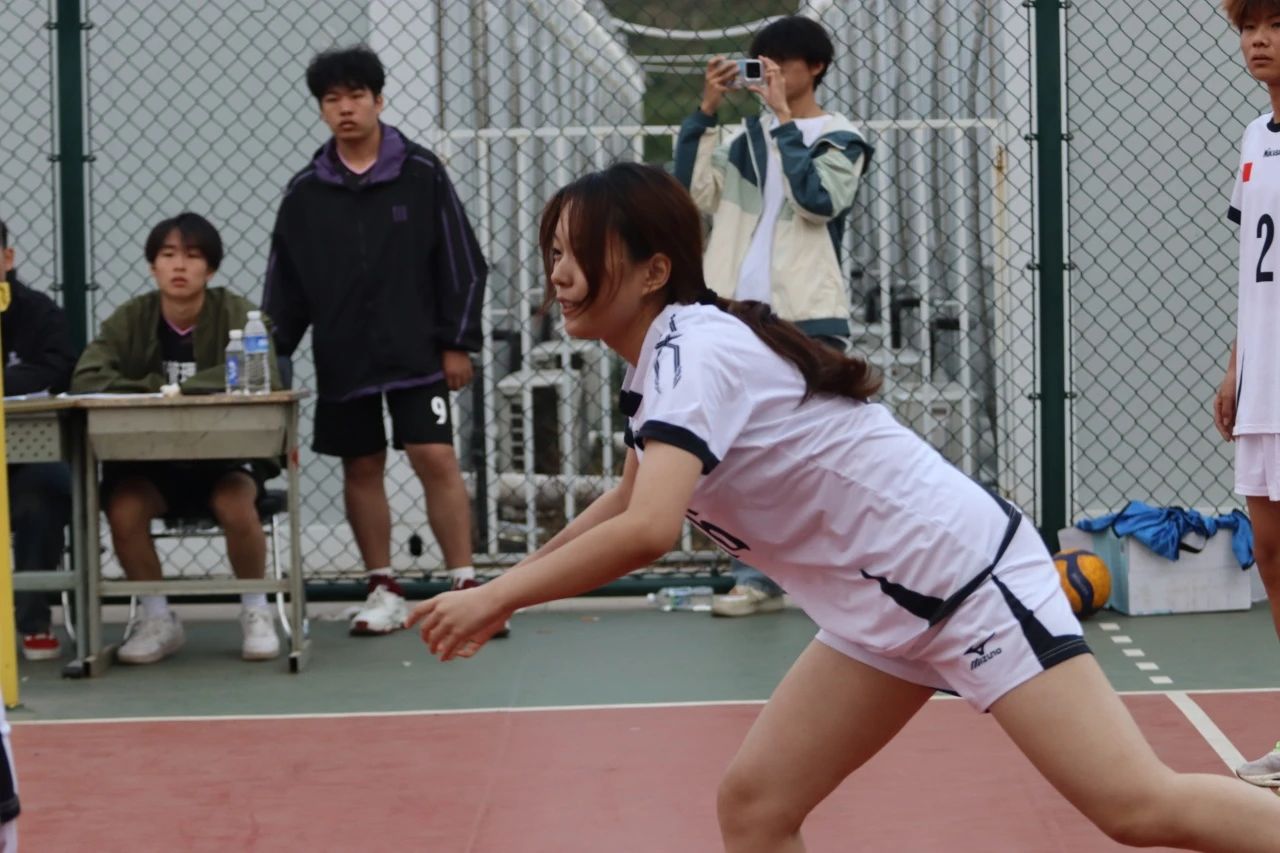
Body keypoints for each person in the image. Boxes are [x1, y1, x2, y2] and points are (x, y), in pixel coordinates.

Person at [410, 163, 1280, 852]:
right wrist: (505, 586)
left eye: (577, 252)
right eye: (552, 251)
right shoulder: (664, 364)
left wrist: (499, 595)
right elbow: (631, 495)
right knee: (756, 806)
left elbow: (647, 529)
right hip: (884, 612)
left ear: (654, 271)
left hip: (966, 581)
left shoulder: (692, 353)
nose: (558, 273)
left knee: (1135, 805)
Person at [263, 45, 503, 637]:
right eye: (332, 99)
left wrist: (457, 343)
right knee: (362, 464)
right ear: (322, 109)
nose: (345, 109)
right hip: (343, 356)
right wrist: (273, 359)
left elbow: (462, 263)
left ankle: (466, 587)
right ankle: (383, 587)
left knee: (434, 456)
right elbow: (284, 287)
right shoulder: (304, 193)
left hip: (418, 353)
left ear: (378, 100)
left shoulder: (422, 173)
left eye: (356, 96)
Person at [674, 15, 872, 617]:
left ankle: (844, 570)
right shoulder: (743, 138)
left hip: (807, 312)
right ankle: (755, 577)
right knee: (740, 450)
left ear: (816, 67)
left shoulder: (841, 135)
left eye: (785, 63)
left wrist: (784, 122)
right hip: (735, 312)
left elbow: (819, 201)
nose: (774, 74)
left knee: (827, 448)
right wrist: (706, 112)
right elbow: (689, 195)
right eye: (765, 65)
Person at [71, 213, 282, 664]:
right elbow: (88, 375)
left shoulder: (239, 314)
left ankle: (255, 607)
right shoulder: (131, 318)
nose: (179, 266)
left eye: (192, 256)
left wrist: (185, 389)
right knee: (123, 508)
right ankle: (157, 617)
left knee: (235, 503)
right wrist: (155, 388)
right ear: (153, 267)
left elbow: (264, 373)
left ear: (211, 268)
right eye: (168, 255)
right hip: (149, 462)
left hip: (223, 458)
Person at [1217, 0, 1280, 788]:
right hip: (1265, 377)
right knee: (1270, 553)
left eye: (1277, 23)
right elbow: (1253, 271)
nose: (1260, 39)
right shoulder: (1254, 135)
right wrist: (1237, 363)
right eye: (1249, 27)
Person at [1, 216, 77, 661]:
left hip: (25, 460)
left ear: (8, 258)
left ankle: (33, 620)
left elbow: (58, 369)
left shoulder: (38, 313)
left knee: (47, 488)